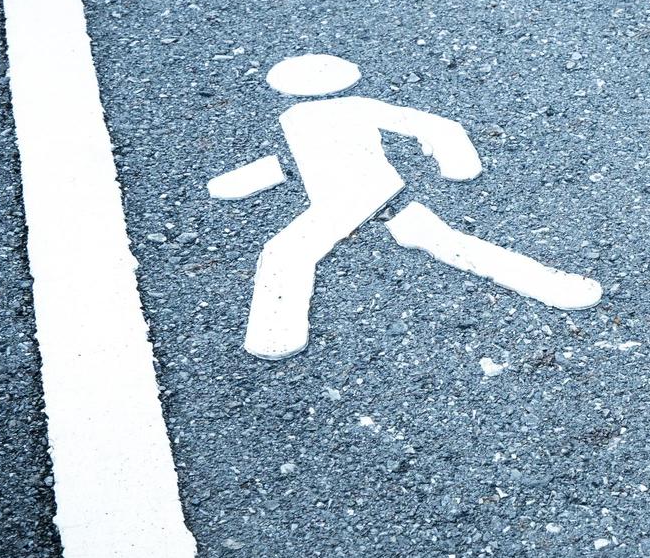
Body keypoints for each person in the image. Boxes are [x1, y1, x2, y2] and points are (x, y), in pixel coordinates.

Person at [208, 54, 602, 359]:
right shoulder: (301, 118)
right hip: (362, 194)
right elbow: (283, 165)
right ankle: (554, 284)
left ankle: (275, 332)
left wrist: (457, 164)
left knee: (287, 251)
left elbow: (434, 128)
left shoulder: (345, 109)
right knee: (440, 239)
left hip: (357, 194)